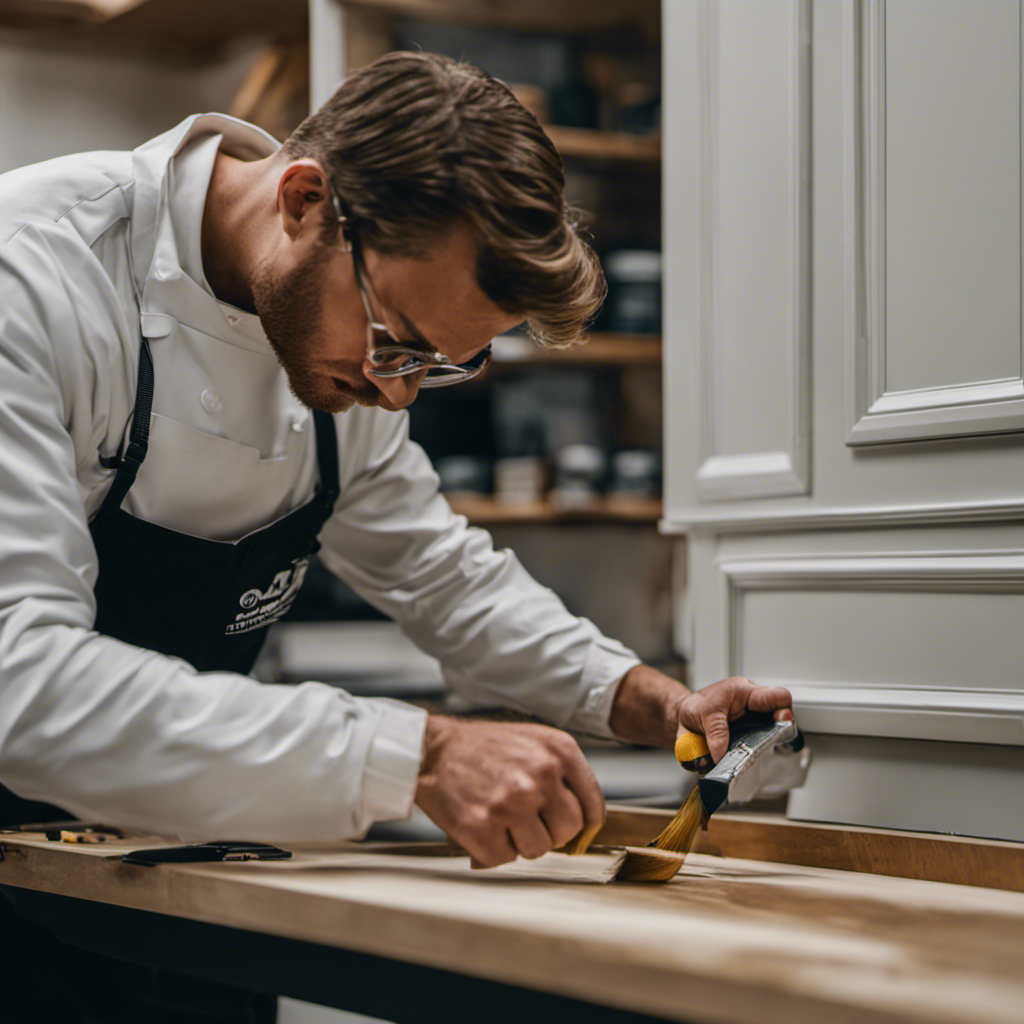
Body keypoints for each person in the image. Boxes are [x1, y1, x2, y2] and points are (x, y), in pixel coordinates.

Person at [0, 50, 792, 868]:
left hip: (178, 866)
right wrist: (421, 756)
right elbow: (17, 683)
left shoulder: (342, 353)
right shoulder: (32, 275)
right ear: (304, 201)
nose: (399, 396)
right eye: (399, 345)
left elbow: (443, 580)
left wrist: (659, 706)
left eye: (437, 365)